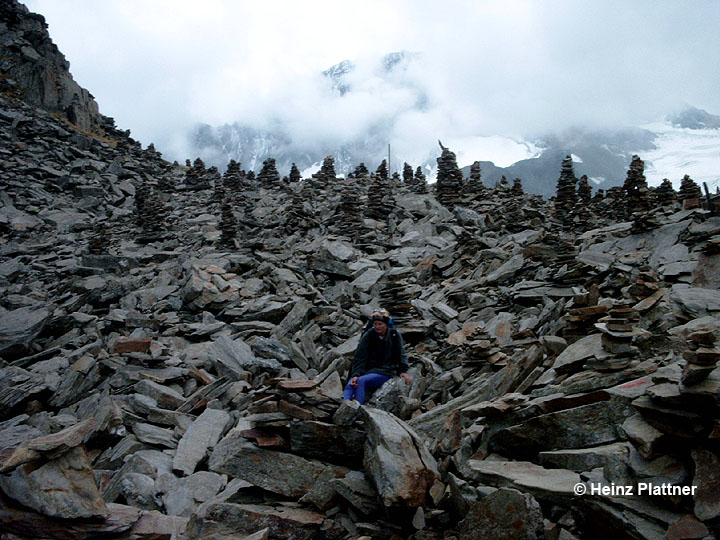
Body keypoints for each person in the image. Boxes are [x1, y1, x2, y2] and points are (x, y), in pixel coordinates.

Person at [342, 308, 411, 404]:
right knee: (351, 384)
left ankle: (357, 409)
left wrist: (402, 371)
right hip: (367, 369)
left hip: (385, 371)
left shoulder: (394, 335)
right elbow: (359, 357)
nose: (377, 327)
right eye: (375, 324)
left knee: (361, 381)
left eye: (380, 324)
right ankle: (342, 405)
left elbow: (401, 354)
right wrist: (356, 374)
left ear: (386, 324)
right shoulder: (368, 335)